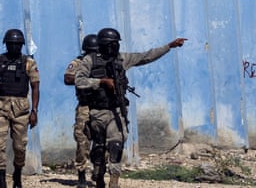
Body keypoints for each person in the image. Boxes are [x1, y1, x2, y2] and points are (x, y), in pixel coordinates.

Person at [73, 28, 187, 188]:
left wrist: (169, 46)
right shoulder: (90, 60)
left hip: (116, 110)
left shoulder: (122, 59)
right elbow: (79, 80)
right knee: (98, 148)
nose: (113, 47)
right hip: (96, 112)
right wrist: (101, 82)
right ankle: (98, 177)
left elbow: (146, 56)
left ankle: (114, 181)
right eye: (110, 44)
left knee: (116, 144)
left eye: (115, 44)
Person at [0, 28, 40, 188]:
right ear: (6, 44)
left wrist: (34, 111)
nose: (14, 47)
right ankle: (2, 181)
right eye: (11, 44)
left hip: (21, 110)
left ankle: (17, 174)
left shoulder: (29, 63)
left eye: (17, 44)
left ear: (21, 45)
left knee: (19, 146)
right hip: (0, 107)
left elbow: (35, 87)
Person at [63, 34, 100, 188]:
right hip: (84, 106)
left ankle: (98, 172)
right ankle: (81, 175)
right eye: (91, 51)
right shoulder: (78, 63)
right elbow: (67, 78)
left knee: (101, 141)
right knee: (82, 141)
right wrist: (87, 79)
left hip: (101, 107)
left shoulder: (102, 63)